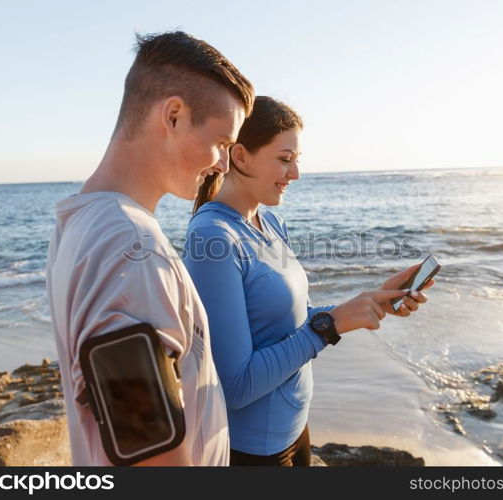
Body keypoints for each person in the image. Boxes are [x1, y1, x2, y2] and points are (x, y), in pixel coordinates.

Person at [183, 96, 434, 466]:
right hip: (253, 451)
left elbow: (289, 323)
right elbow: (237, 385)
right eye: (284, 160)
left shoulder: (268, 221)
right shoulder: (212, 238)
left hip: (295, 430)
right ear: (240, 156)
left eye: (296, 161)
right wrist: (329, 327)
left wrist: (370, 301)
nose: (295, 174)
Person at [45, 31, 254, 466]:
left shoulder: (79, 222)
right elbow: (148, 455)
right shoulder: (127, 245)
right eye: (221, 144)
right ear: (174, 115)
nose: (222, 164)